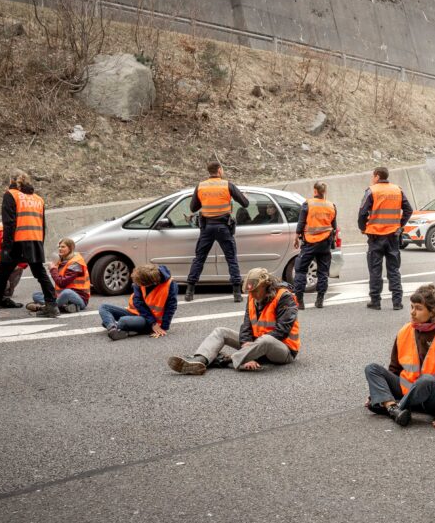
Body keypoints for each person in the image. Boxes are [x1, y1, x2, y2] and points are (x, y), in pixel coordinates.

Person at [362, 284, 435, 429]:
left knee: (426, 379)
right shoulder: (404, 331)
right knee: (372, 369)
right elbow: (394, 369)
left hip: (431, 398)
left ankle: (390, 408)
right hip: (406, 392)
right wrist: (381, 392)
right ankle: (392, 408)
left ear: (432, 312)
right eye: (412, 307)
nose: (412, 312)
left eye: (419, 308)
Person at [167, 267, 299, 375]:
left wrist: (250, 352)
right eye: (250, 292)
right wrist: (247, 343)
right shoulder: (253, 296)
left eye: (255, 291)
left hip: (282, 350)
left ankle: (230, 360)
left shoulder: (285, 297)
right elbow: (247, 324)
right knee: (221, 331)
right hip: (255, 345)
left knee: (266, 340)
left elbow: (282, 331)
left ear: (266, 285)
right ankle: (200, 360)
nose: (251, 295)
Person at [0, 170, 59, 320]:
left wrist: (6, 247)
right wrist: (40, 244)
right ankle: (52, 305)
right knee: (40, 274)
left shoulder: (10, 194)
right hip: (35, 240)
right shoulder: (38, 199)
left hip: (17, 241)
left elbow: (9, 223)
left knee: (2, 275)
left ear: (11, 181)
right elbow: (43, 224)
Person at [185, 161, 251, 303]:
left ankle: (189, 291)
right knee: (231, 259)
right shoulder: (227, 185)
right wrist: (245, 196)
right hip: (223, 227)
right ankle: (237, 294)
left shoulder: (200, 186)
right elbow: (245, 204)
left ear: (209, 171)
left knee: (199, 258)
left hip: (207, 227)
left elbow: (193, 207)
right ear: (219, 170)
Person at [357, 166, 412, 311]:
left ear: (376, 176)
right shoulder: (397, 190)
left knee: (375, 269)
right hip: (393, 236)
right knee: (394, 269)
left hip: (375, 237)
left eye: (372, 176)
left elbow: (362, 214)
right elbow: (409, 210)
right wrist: (399, 225)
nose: (372, 179)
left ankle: (375, 301)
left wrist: (363, 228)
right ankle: (397, 302)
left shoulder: (372, 191)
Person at [98, 263, 177, 340]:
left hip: (152, 321)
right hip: (136, 313)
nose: (136, 285)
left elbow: (171, 307)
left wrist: (161, 327)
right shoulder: (139, 281)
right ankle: (113, 329)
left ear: (151, 283)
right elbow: (138, 303)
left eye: (140, 284)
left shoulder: (170, 285)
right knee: (104, 307)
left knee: (123, 321)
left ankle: (113, 324)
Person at [292, 182, 337, 309]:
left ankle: (299, 301)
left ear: (315, 191)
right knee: (323, 272)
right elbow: (334, 227)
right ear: (324, 192)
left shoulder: (307, 204)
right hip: (324, 244)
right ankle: (320, 300)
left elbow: (301, 224)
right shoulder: (331, 206)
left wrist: (296, 238)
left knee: (300, 270)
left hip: (309, 243)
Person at [26, 238, 90, 314]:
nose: (60, 249)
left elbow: (61, 283)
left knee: (67, 293)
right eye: (59, 247)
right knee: (36, 295)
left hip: (79, 298)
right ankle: (65, 306)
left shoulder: (75, 263)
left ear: (70, 248)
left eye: (63, 247)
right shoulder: (63, 260)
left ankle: (44, 307)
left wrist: (53, 269)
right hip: (61, 295)